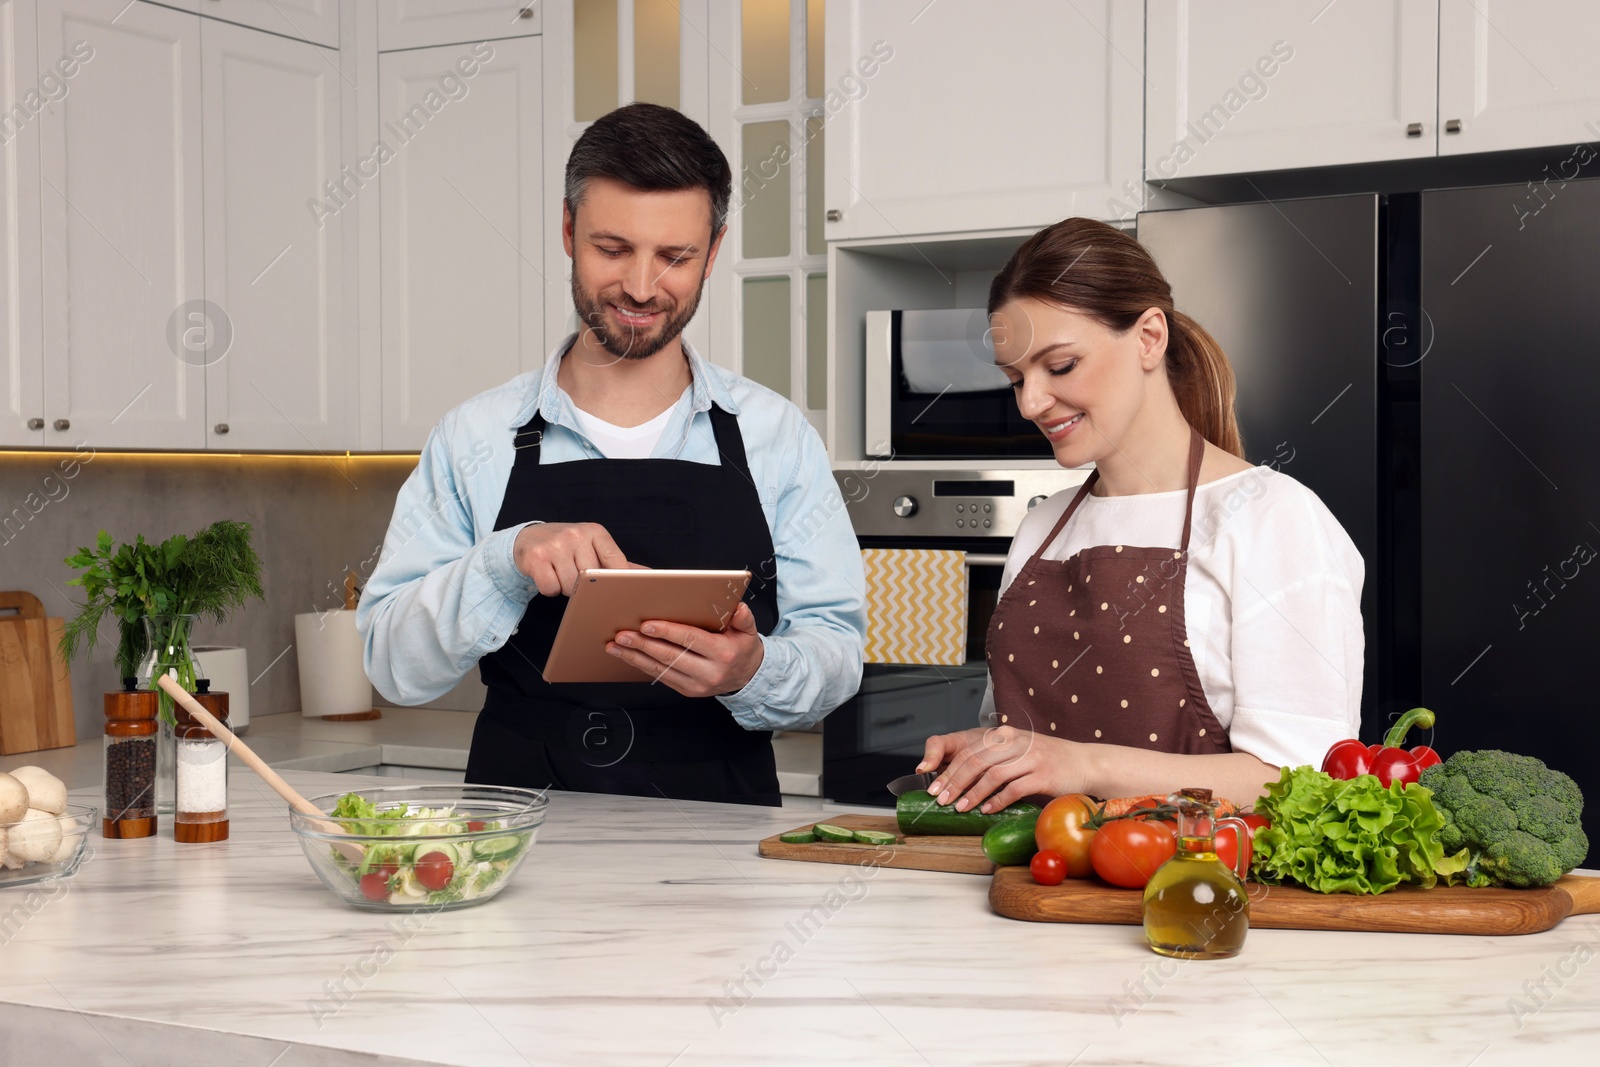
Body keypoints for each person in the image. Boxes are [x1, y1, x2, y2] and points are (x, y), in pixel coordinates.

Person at [357, 104, 865, 807]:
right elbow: (392, 666)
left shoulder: (775, 436)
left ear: (714, 251)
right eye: (613, 248)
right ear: (568, 231)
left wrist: (754, 668)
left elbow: (836, 655)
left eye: (675, 257)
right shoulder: (474, 437)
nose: (640, 286)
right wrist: (504, 563)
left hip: (721, 849)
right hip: (514, 840)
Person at [917, 217, 1363, 813]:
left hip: (1194, 896)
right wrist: (989, 756)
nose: (1030, 403)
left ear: (1149, 337)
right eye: (1015, 378)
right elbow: (1033, 743)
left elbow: (1302, 784)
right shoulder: (1041, 526)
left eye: (1061, 365)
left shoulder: (1272, 520)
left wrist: (1081, 766)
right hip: (1039, 888)